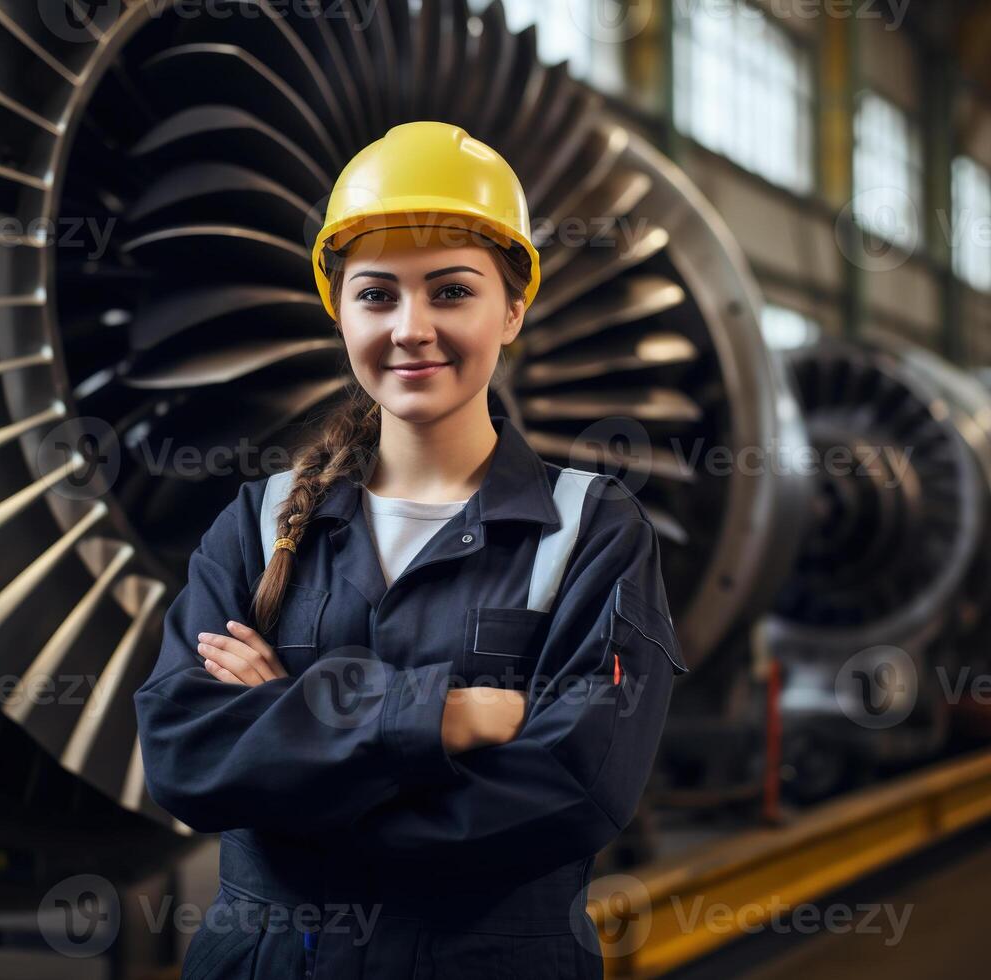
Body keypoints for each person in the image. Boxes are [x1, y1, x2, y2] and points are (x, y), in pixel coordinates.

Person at [134, 121, 687, 979]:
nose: (412, 328)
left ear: (512, 310)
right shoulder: (260, 520)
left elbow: (576, 792)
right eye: (378, 294)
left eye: (452, 292)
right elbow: (182, 751)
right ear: (341, 312)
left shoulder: (591, 531)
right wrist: (438, 718)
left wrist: (293, 739)